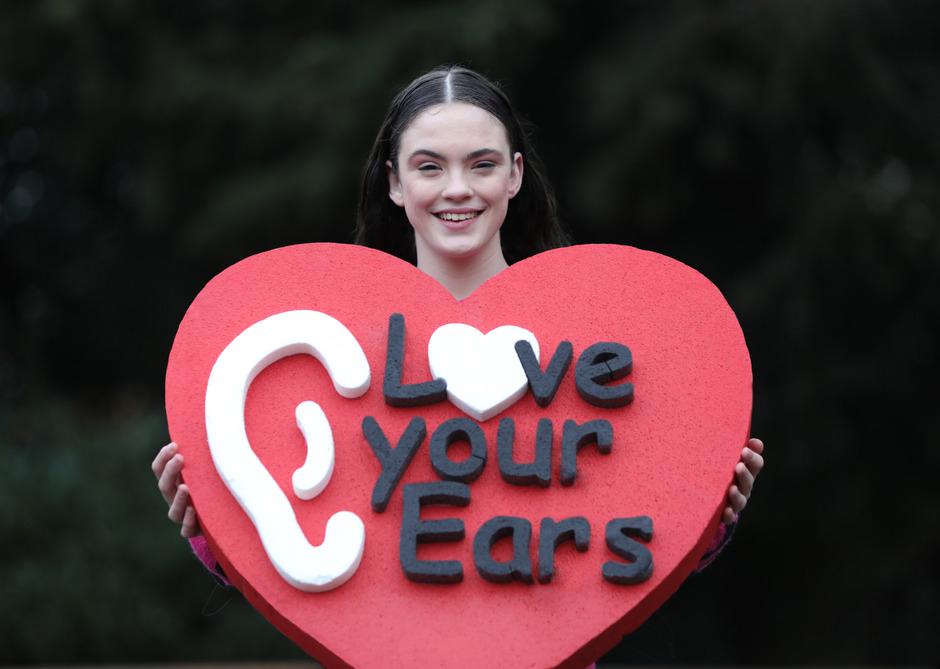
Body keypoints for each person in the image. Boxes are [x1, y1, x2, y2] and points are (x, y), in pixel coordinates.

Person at [153, 65, 764, 662]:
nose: (457, 188)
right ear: (395, 183)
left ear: (515, 175)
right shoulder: (341, 354)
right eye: (429, 166)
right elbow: (327, 571)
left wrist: (708, 519)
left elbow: (615, 542)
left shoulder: (594, 349)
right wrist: (216, 533)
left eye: (482, 163)